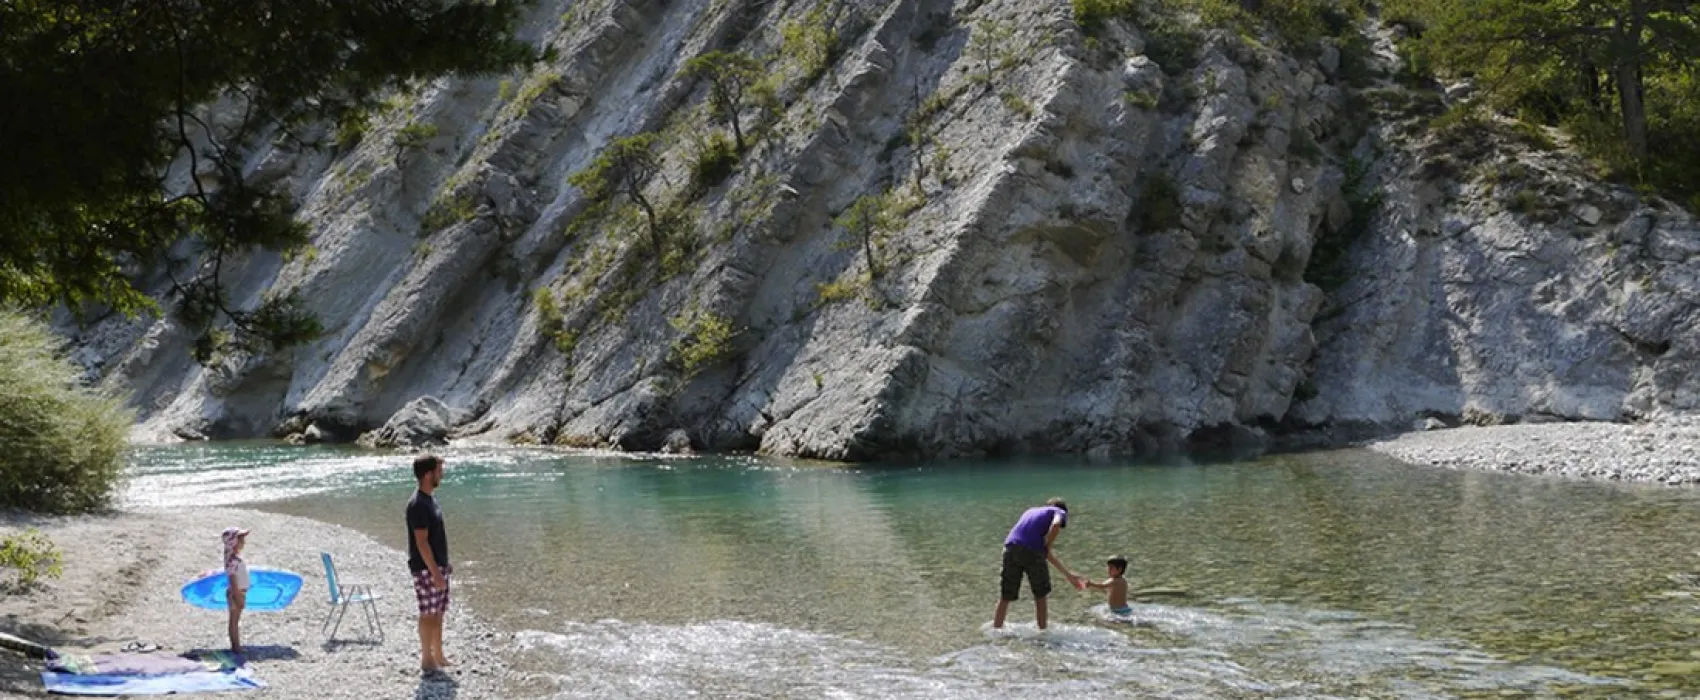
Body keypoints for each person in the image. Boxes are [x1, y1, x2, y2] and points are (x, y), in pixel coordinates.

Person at [993, 497, 1081, 630]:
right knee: (1040, 594)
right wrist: (1049, 544)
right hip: (1031, 552)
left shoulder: (1031, 511)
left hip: (1009, 548)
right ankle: (1042, 631)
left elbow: (1046, 554)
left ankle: (996, 628)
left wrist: (1068, 576)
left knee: (1006, 595)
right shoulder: (1059, 512)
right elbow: (1056, 525)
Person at [406, 454, 452, 673]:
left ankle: (439, 654)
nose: (441, 474)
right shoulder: (418, 504)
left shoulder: (430, 498)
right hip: (425, 569)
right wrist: (435, 573)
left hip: (437, 565)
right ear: (428, 474)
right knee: (428, 613)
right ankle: (426, 659)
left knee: (439, 612)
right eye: (438, 470)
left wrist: (444, 565)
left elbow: (436, 537)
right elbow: (421, 543)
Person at [221, 527, 250, 654]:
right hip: (235, 593)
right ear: (233, 542)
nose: (244, 542)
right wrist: (237, 597)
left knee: (236, 620)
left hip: (239, 592)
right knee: (234, 621)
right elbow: (233, 581)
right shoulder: (232, 560)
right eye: (241, 539)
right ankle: (236, 647)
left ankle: (236, 646)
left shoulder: (235, 557)